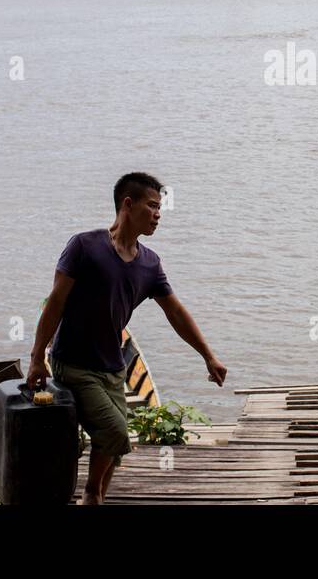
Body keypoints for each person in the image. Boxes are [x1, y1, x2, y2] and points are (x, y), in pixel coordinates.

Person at [26, 172, 227, 505]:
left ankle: (96, 496)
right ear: (127, 204)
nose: (159, 214)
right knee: (116, 435)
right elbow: (56, 302)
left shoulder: (149, 264)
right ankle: (91, 493)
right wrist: (36, 358)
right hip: (73, 364)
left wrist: (207, 355)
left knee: (114, 450)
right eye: (152, 206)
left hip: (114, 368)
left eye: (160, 207)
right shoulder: (84, 246)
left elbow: (175, 312)